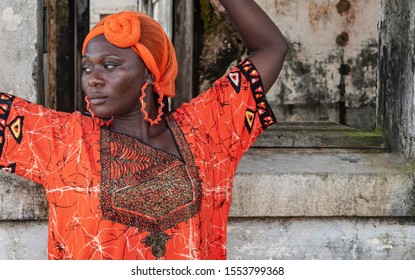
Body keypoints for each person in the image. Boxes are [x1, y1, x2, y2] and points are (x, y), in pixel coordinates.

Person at [0, 0, 288, 260]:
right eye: (87, 68)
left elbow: (272, 48)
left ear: (149, 72)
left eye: (110, 66)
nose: (93, 80)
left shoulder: (208, 131)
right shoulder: (63, 139)